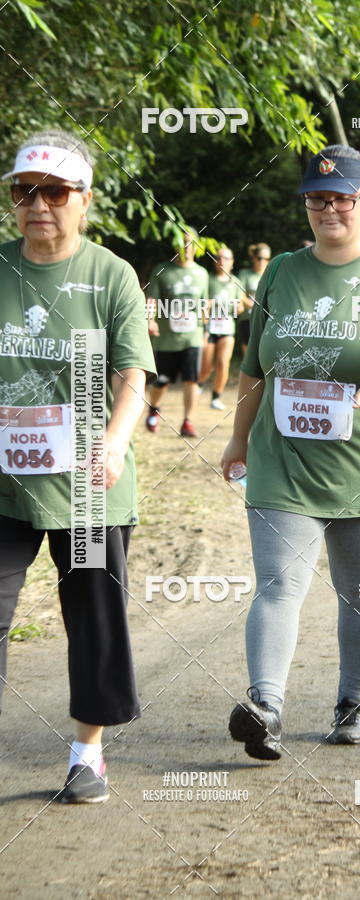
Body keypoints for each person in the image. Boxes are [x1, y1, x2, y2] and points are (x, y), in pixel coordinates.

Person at [221, 144, 360, 760]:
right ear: (306, 203)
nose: (328, 207)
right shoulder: (281, 270)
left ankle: (351, 705)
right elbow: (255, 366)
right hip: (283, 457)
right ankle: (267, 709)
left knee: (359, 588)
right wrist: (236, 439)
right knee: (278, 584)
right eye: (317, 197)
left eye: (341, 197)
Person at [0, 128, 155, 803]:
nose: (39, 204)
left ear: (83, 200)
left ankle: (87, 752)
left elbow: (131, 372)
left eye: (55, 191)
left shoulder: (109, 274)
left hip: (89, 486)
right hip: (4, 481)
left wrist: (116, 440)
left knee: (93, 614)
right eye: (23, 191)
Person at [145, 230, 209, 437]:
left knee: (192, 380)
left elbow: (204, 304)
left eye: (191, 244)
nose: (187, 249)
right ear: (175, 247)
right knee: (162, 380)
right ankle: (154, 408)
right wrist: (150, 319)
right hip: (166, 338)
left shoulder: (202, 273)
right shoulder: (162, 270)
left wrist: (206, 329)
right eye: (182, 244)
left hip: (192, 336)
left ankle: (188, 421)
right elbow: (151, 300)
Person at [197, 246, 244, 410]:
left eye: (226, 258)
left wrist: (237, 307)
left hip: (227, 329)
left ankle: (216, 396)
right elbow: (202, 303)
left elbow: (241, 306)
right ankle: (199, 383)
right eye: (219, 258)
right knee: (207, 365)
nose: (222, 261)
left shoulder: (236, 282)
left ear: (232, 262)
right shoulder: (207, 280)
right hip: (209, 328)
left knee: (223, 362)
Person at [236, 243, 271, 355]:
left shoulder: (271, 275)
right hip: (248, 319)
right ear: (254, 258)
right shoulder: (245, 274)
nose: (262, 262)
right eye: (259, 258)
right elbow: (240, 294)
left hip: (266, 320)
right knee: (249, 357)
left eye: (266, 259)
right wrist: (254, 304)